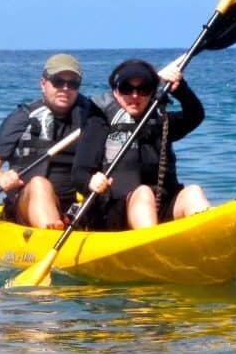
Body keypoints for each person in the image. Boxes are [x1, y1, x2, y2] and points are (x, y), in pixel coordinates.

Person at [72, 57, 210, 230]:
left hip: (162, 206)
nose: (135, 96)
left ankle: (209, 241)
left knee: (193, 192)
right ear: (116, 92)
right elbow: (79, 173)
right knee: (144, 193)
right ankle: (153, 247)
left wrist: (181, 89)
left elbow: (195, 115)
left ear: (151, 92)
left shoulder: (161, 121)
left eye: (143, 89)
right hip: (116, 212)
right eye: (127, 89)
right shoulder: (99, 121)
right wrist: (90, 181)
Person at [0, 53, 98, 229]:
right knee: (39, 184)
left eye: (73, 84)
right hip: (26, 201)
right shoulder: (23, 117)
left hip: (73, 204)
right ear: (43, 84)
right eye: (58, 81)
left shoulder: (91, 116)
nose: (65, 88)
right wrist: (0, 177)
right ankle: (51, 232)